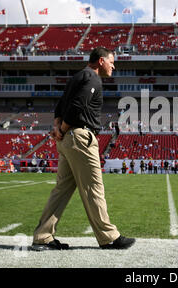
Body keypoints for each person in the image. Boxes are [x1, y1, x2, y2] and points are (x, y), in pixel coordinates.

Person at [31, 47, 135, 251]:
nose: (114, 66)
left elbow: (60, 105)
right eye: (111, 61)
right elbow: (77, 106)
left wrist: (57, 127)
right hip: (80, 138)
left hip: (68, 140)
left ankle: (43, 236)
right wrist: (61, 128)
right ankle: (109, 237)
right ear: (100, 61)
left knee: (61, 190)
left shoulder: (77, 77)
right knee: (94, 187)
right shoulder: (93, 78)